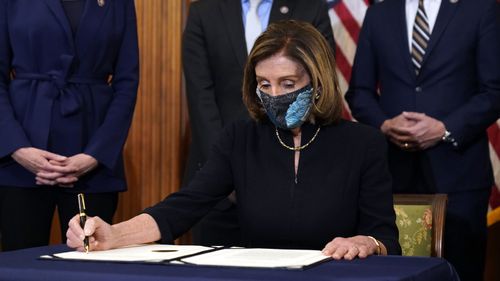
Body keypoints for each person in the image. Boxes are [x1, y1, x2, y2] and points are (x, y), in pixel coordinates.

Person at [67, 20, 401, 259]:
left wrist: (366, 242)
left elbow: (386, 238)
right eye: (264, 84)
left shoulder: (363, 144)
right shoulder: (240, 137)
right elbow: (185, 205)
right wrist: (114, 234)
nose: (274, 95)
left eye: (288, 84)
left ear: (318, 81)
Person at [345, 0, 500, 280]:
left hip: (460, 175)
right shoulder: (379, 13)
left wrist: (445, 128)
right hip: (393, 172)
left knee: (463, 271)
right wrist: (384, 124)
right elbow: (359, 92)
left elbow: (494, 90)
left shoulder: (480, 9)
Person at [183, 0, 336, 246]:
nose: (273, 93)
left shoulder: (310, 7)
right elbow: (200, 95)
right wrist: (228, 167)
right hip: (219, 176)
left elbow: (322, 80)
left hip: (291, 169)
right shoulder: (204, 10)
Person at [0, 0, 139, 251]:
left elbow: (127, 83)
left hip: (92, 160)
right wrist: (17, 148)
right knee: (19, 262)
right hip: (19, 160)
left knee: (92, 263)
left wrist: (95, 154)